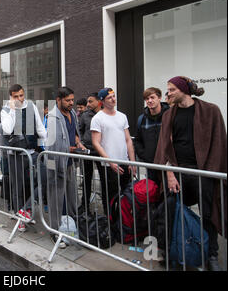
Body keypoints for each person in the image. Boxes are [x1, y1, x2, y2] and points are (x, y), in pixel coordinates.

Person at [154, 76, 227, 271]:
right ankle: (171, 253)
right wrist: (169, 172)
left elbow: (219, 144)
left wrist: (209, 173)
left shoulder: (210, 111)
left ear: (183, 90)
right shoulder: (169, 115)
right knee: (169, 211)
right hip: (177, 172)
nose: (168, 93)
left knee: (209, 214)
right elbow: (164, 148)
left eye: (171, 90)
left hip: (204, 172)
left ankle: (211, 255)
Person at [1, 84, 47, 232]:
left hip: (32, 152)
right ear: (11, 97)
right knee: (18, 187)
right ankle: (20, 216)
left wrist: (48, 144)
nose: (20, 99)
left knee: (43, 179)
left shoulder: (31, 106)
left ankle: (26, 210)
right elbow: (8, 130)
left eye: (21, 95)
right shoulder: (6, 110)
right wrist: (13, 110)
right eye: (16, 96)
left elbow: (40, 128)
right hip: (16, 155)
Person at [45, 87, 85, 248]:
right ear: (58, 100)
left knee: (71, 196)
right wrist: (74, 150)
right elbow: (53, 146)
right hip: (55, 162)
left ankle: (71, 228)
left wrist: (78, 142)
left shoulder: (73, 114)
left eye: (72, 100)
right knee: (56, 199)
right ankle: (54, 232)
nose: (71, 103)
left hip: (68, 162)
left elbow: (74, 134)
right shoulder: (53, 117)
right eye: (67, 100)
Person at [91, 88, 136, 214]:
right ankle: (111, 222)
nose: (113, 99)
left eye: (114, 96)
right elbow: (96, 142)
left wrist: (132, 162)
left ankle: (125, 222)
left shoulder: (122, 116)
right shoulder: (98, 118)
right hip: (108, 165)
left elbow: (128, 140)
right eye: (109, 97)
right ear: (102, 101)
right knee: (110, 196)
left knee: (127, 195)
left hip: (124, 162)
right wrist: (110, 162)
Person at [77, 92, 107, 215]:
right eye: (87, 102)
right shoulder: (85, 116)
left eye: (91, 101)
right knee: (86, 180)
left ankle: (107, 209)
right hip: (88, 151)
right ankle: (85, 207)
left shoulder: (106, 114)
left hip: (101, 152)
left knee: (104, 180)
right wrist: (81, 144)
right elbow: (79, 131)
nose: (88, 104)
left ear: (99, 102)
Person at [134, 87, 170, 183]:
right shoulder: (142, 119)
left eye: (152, 97)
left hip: (169, 164)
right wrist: (145, 155)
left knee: (169, 194)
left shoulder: (169, 115)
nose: (149, 101)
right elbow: (137, 140)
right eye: (147, 99)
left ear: (159, 98)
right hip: (151, 164)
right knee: (153, 193)